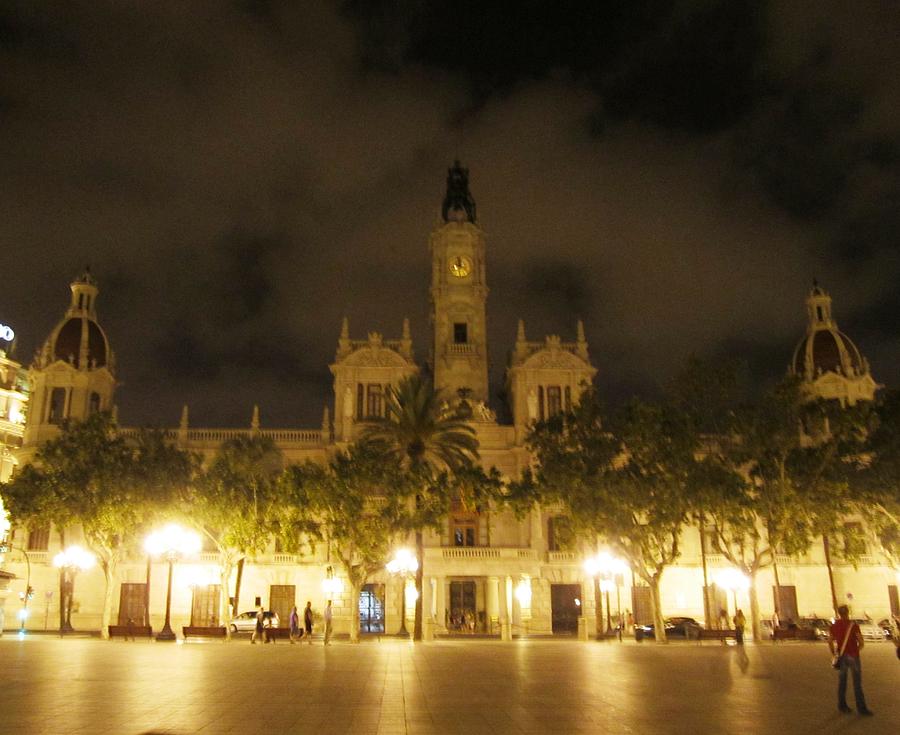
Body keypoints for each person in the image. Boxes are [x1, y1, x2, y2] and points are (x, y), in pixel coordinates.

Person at [828, 604, 873, 715]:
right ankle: (861, 708)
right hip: (853, 655)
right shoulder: (853, 625)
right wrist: (856, 649)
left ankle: (842, 705)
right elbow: (861, 642)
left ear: (838, 613)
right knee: (857, 683)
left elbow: (829, 641)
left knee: (842, 682)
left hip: (841, 656)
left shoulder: (834, 626)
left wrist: (834, 653)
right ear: (848, 613)